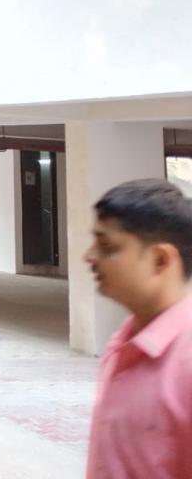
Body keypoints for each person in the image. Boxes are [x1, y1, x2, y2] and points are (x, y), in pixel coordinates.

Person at [84, 178, 192, 477]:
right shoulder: (125, 342)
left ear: (160, 259)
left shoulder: (186, 363)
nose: (89, 257)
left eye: (107, 246)